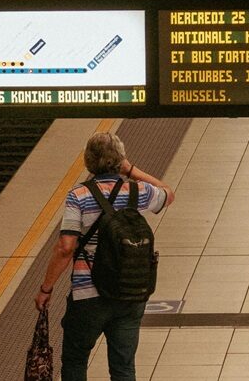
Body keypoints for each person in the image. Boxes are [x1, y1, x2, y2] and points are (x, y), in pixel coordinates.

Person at [34, 132, 174, 381]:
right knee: (123, 369)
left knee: (76, 361)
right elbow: (168, 193)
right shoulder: (137, 191)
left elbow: (66, 247)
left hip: (88, 295)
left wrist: (46, 288)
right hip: (130, 293)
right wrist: (130, 170)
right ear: (120, 159)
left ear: (88, 160)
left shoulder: (78, 196)